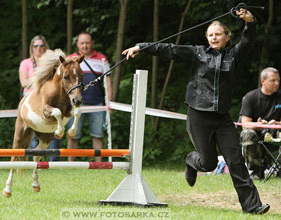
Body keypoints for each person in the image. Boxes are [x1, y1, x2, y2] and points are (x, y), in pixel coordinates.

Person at [122, 9, 269, 214]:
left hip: (222, 118)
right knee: (207, 163)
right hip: (198, 115)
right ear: (207, 38)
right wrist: (141, 47)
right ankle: (191, 161)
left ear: (227, 37)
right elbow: (170, 49)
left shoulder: (234, 56)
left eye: (218, 34)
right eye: (210, 35)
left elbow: (248, 39)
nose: (214, 37)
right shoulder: (198, 53)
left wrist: (250, 21)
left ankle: (252, 206)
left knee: (236, 161)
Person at [67, 32, 112, 162]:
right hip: (75, 104)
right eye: (82, 43)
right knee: (73, 135)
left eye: (87, 43)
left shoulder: (102, 59)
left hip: (97, 103)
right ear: (77, 44)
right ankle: (70, 165)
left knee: (98, 135)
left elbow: (108, 82)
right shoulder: (70, 59)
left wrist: (109, 102)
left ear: (92, 43)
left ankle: (99, 164)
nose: (85, 46)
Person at [19, 35, 61, 161]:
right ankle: (34, 161)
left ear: (45, 47)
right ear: (31, 48)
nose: (38, 48)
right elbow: (24, 82)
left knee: (56, 128)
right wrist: (41, 82)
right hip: (31, 97)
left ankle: (54, 162)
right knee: (32, 133)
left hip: (50, 97)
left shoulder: (53, 63)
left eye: (41, 46)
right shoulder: (25, 63)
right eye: (35, 46)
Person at [240, 67, 281, 180]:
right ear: (263, 81)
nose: (277, 83)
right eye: (273, 80)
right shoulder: (250, 97)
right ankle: (257, 170)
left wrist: (277, 123)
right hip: (257, 135)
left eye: (278, 80)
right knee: (247, 133)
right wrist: (260, 125)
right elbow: (245, 125)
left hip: (277, 134)